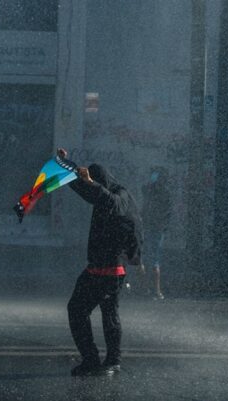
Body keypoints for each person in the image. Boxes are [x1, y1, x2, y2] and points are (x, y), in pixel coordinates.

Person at [58, 148, 143, 377]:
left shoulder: (120, 196)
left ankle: (103, 360)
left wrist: (87, 181)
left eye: (93, 183)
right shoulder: (106, 192)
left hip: (109, 268)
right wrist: (65, 164)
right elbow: (86, 190)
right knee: (100, 312)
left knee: (85, 311)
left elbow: (106, 201)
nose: (90, 188)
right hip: (102, 266)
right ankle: (102, 360)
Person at [140, 167, 171, 300]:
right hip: (152, 227)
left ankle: (153, 290)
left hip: (154, 228)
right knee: (151, 259)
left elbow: (166, 211)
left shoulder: (160, 192)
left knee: (151, 260)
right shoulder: (153, 190)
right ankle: (150, 290)